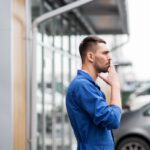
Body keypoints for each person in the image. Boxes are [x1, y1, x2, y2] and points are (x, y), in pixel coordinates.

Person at [66, 36, 122, 150]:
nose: (110, 58)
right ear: (91, 56)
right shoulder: (82, 86)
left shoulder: (88, 85)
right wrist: (115, 86)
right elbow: (113, 120)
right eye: (105, 53)